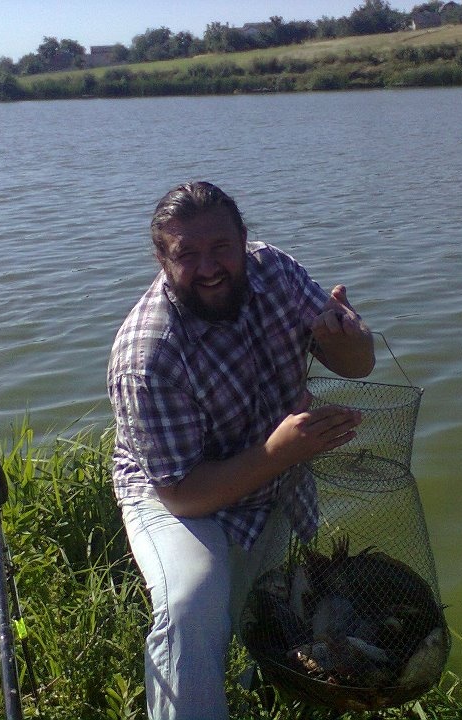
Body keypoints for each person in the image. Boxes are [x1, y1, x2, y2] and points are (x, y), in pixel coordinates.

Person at [107, 181, 375, 719]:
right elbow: (182, 494)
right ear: (162, 258)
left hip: (274, 462)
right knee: (194, 600)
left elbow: (358, 362)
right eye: (187, 254)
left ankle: (258, 686)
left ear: (244, 240)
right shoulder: (146, 355)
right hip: (172, 487)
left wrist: (342, 336)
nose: (209, 267)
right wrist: (280, 452)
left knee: (259, 602)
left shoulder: (273, 270)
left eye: (221, 248)